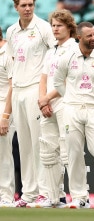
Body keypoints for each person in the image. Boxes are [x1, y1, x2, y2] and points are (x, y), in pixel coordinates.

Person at [53, 21, 94, 209]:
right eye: (89, 35)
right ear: (79, 37)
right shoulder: (67, 57)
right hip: (71, 108)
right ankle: (79, 196)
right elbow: (58, 81)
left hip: (93, 109)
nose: (93, 38)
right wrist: (69, 97)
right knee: (74, 153)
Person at [3, 0, 56, 207]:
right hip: (18, 90)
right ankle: (29, 194)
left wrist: (45, 95)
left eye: (30, 5)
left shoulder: (44, 27)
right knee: (23, 145)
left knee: (38, 143)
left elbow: (55, 56)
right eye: (23, 5)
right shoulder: (12, 30)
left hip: (36, 88)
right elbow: (14, 61)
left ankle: (45, 192)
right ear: (16, 7)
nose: (27, 8)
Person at [26, 9, 78, 208]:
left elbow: (66, 80)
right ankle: (55, 196)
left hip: (65, 102)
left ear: (69, 27)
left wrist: (46, 98)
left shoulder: (74, 49)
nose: (55, 29)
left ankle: (78, 195)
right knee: (48, 151)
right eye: (53, 25)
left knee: (67, 151)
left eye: (59, 25)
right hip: (48, 104)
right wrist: (43, 100)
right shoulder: (51, 51)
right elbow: (44, 78)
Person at [0, 26, 15, 207]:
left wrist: (5, 115)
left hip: (5, 105)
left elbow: (14, 86)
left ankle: (6, 195)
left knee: (4, 153)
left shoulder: (8, 52)